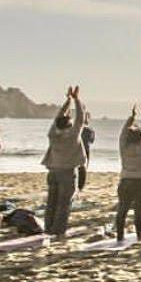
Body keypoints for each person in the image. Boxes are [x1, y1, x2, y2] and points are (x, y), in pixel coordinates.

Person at [41, 86, 86, 238]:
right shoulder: (72, 135)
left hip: (53, 171)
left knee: (51, 202)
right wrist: (76, 100)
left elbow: (58, 118)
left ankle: (48, 228)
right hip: (67, 172)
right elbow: (81, 117)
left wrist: (68, 101)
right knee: (64, 203)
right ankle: (58, 230)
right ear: (69, 125)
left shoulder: (52, 134)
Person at [115, 105, 141, 243]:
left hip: (125, 181)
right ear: (140, 137)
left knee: (122, 210)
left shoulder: (123, 148)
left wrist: (131, 118)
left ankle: (120, 236)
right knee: (139, 211)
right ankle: (139, 235)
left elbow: (122, 134)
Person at [78, 117, 95, 192]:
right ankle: (81, 185)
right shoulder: (90, 129)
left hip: (78, 149)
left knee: (77, 166)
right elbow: (92, 141)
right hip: (86, 149)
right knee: (85, 167)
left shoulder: (77, 128)